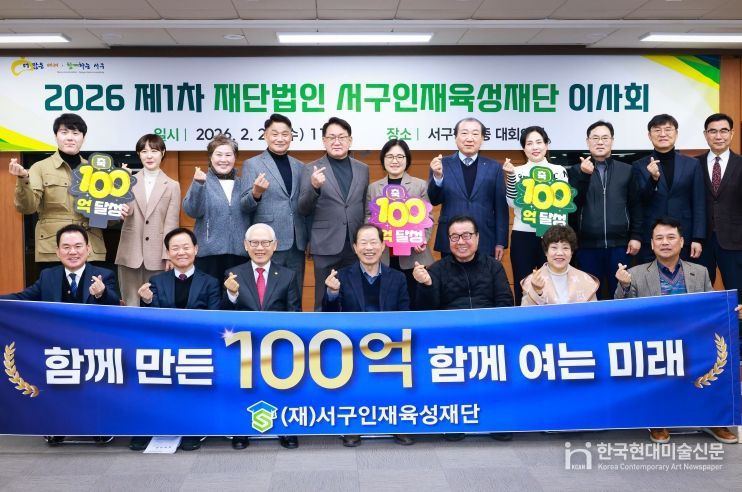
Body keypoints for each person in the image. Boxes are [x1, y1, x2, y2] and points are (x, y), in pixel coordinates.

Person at [614, 216, 738, 445]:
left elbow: (712, 308)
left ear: (681, 242)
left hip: (693, 340)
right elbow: (622, 311)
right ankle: (658, 420)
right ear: (652, 244)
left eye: (671, 237)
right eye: (659, 238)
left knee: (717, 352)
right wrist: (624, 285)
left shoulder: (700, 272)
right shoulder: (636, 273)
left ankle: (714, 419)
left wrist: (731, 311)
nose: (665, 242)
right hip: (655, 343)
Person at [0, 223, 119, 447]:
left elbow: (115, 306)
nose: (72, 252)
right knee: (50, 374)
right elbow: (23, 298)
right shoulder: (48, 276)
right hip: (57, 347)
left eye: (78, 246)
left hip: (93, 346)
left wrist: (101, 293)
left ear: (88, 249)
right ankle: (56, 426)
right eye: (66, 247)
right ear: (57, 251)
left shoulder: (104, 275)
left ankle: (99, 426)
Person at [413, 215, 513, 441]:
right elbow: (426, 312)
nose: (461, 242)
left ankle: (497, 419)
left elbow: (505, 303)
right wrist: (426, 285)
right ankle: (455, 418)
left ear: (477, 237)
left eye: (467, 235)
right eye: (454, 237)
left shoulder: (494, 267)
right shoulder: (437, 270)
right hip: (451, 339)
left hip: (488, 336)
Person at [322, 224, 412, 447]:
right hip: (352, 346)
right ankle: (353, 425)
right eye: (363, 243)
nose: (369, 248)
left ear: (383, 246)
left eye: (374, 242)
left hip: (390, 345)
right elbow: (329, 318)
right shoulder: (341, 277)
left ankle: (397, 423)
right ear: (355, 247)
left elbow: (405, 316)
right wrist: (332, 293)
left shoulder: (398, 278)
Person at [132, 227, 221, 452]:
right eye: (175, 248)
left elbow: (214, 318)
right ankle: (149, 427)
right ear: (168, 253)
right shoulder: (156, 281)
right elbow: (150, 320)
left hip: (197, 347)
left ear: (196, 249)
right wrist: (147, 301)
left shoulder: (210, 282)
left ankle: (192, 428)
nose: (181, 252)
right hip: (165, 346)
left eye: (186, 247)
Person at [223, 223, 301, 450]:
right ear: (245, 245)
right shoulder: (233, 274)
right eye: (254, 243)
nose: (260, 248)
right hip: (244, 345)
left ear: (274, 245)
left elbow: (294, 313)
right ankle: (242, 430)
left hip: (278, 345)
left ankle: (285, 429)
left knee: (284, 386)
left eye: (265, 243)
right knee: (244, 388)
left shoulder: (288, 275)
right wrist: (231, 294)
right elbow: (223, 314)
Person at [8, 113, 106, 267]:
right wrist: (23, 178)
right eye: (64, 132)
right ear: (56, 136)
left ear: (83, 137)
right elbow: (27, 207)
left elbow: (106, 217)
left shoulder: (97, 171)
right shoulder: (40, 167)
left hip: (90, 247)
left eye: (75, 133)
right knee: (53, 284)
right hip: (53, 248)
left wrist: (117, 212)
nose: (70, 138)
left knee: (92, 284)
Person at [298, 117, 369, 310]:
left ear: (350, 140)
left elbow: (363, 205)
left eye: (341, 137)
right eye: (331, 137)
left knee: (354, 297)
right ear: (324, 141)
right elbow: (302, 208)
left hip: (355, 244)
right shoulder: (310, 169)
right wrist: (314, 187)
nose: (337, 142)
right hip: (325, 244)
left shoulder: (363, 169)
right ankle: (321, 329)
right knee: (323, 298)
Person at [568, 121, 642, 299]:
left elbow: (636, 205)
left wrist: (636, 236)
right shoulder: (575, 171)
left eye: (604, 138)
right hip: (587, 247)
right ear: (587, 142)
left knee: (622, 294)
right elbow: (572, 205)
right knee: (590, 296)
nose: (600, 142)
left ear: (612, 141)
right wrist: (584, 176)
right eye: (595, 138)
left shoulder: (627, 170)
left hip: (620, 246)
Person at [242, 114, 308, 296]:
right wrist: (256, 193)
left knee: (295, 294)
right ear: (265, 135)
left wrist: (307, 237)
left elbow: (303, 205)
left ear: (291, 136)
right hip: (267, 241)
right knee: (268, 294)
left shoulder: (300, 166)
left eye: (285, 134)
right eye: (275, 134)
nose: (280, 138)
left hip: (296, 243)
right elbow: (244, 206)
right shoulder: (252, 164)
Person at [503, 126, 569, 304]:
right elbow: (512, 202)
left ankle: (552, 318)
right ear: (523, 148)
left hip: (551, 235)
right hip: (522, 235)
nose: (535, 147)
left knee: (553, 283)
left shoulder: (559, 170)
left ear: (546, 145)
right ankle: (523, 318)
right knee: (522, 282)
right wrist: (510, 176)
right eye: (529, 143)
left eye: (539, 142)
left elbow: (562, 204)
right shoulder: (517, 171)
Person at [427, 118, 508, 262]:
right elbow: (434, 200)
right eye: (464, 133)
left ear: (482, 139)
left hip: (484, 238)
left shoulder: (494, 167)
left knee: (484, 277)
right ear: (455, 137)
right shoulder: (441, 164)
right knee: (450, 277)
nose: (469, 138)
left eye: (475, 134)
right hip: (451, 238)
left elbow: (501, 208)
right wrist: (437, 177)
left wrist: (500, 242)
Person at [366, 139, 433, 306]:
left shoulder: (420, 185)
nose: (394, 161)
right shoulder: (373, 188)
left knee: (414, 303)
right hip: (384, 256)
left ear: (407, 159)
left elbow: (429, 218)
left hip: (414, 256)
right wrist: (373, 241)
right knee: (387, 304)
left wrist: (422, 239)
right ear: (383, 160)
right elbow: (368, 217)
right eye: (390, 156)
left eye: (399, 156)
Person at [115, 134, 180, 306]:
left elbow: (171, 224)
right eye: (144, 151)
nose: (149, 156)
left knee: (157, 304)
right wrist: (121, 184)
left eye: (154, 151)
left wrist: (169, 255)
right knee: (130, 304)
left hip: (158, 256)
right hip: (130, 252)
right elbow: (117, 213)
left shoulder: (172, 185)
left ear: (163, 153)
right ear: (139, 154)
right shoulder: (127, 181)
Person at [632, 114, 705, 263]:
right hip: (651, 237)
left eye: (668, 129)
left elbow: (699, 203)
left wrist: (697, 238)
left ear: (676, 133)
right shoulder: (639, 165)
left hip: (684, 236)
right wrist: (653, 180)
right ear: (649, 135)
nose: (663, 134)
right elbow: (639, 202)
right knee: (650, 277)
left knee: (685, 277)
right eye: (657, 130)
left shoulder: (692, 164)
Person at [183, 134, 251, 281]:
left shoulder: (244, 183)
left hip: (240, 254)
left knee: (236, 294)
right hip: (208, 255)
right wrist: (198, 185)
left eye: (228, 155)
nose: (223, 159)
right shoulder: (202, 181)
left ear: (235, 157)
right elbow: (192, 211)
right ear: (210, 157)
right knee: (209, 294)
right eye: (218, 154)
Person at [697, 113, 742, 303]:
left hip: (735, 240)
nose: (718, 136)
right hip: (700, 241)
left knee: (737, 294)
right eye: (712, 131)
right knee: (700, 294)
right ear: (705, 134)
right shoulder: (693, 164)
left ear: (732, 134)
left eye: (723, 131)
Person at [520, 225, 599, 305]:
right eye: (554, 247)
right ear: (546, 252)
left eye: (565, 248)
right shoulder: (531, 281)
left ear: (571, 252)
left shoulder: (586, 280)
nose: (560, 253)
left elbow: (593, 311)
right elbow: (526, 311)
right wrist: (538, 292)